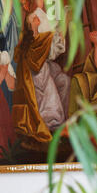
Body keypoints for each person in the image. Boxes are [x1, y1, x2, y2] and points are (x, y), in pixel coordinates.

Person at [12, 10, 70, 150]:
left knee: (64, 80)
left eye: (38, 17)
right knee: (49, 88)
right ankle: (53, 125)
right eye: (34, 18)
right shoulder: (30, 40)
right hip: (33, 76)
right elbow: (31, 62)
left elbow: (54, 52)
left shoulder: (44, 37)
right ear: (30, 23)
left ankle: (59, 124)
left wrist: (62, 31)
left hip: (42, 70)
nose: (38, 19)